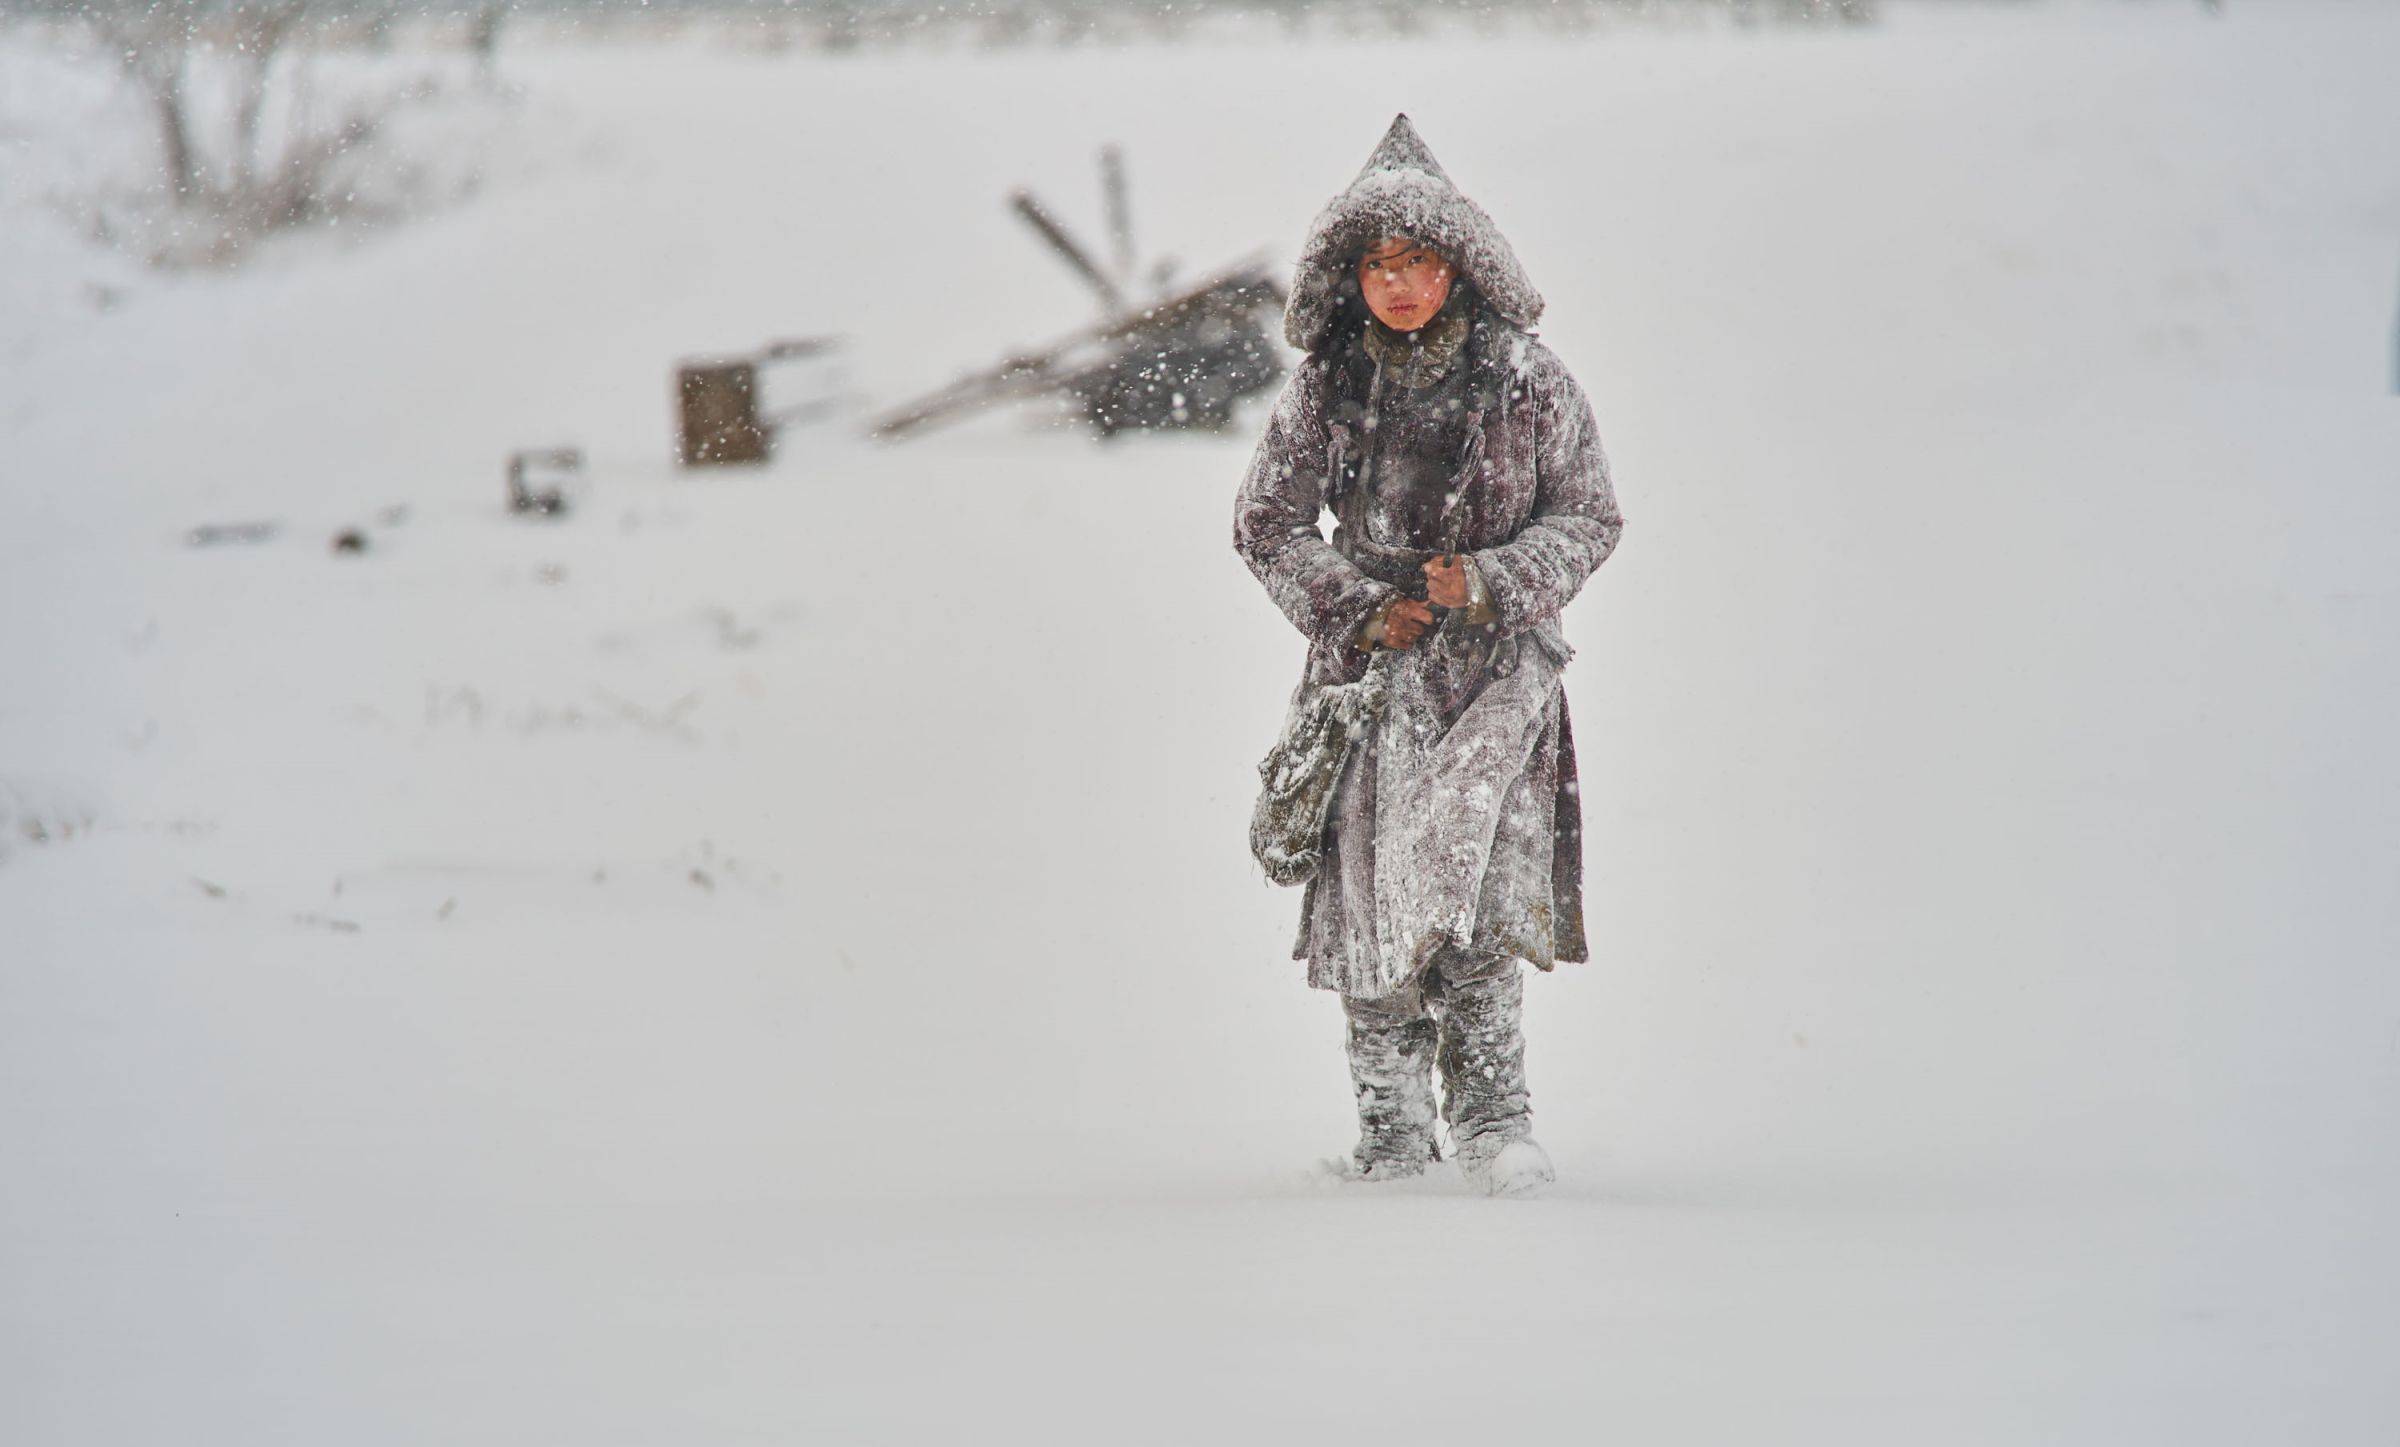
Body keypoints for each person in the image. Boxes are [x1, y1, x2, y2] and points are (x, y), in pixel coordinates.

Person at [1232, 115, 1624, 1196]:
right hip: (1369, 690)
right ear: (1350, 276)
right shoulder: (1328, 386)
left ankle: (1499, 1129)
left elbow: (1590, 516)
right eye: (1377, 264)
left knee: (1479, 909)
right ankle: (1392, 1142)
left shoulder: (1529, 381)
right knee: (1372, 914)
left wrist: (1491, 580)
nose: (1399, 284)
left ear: (1461, 266)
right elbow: (1265, 521)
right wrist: (1359, 605)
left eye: (1419, 260)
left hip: (1496, 685)